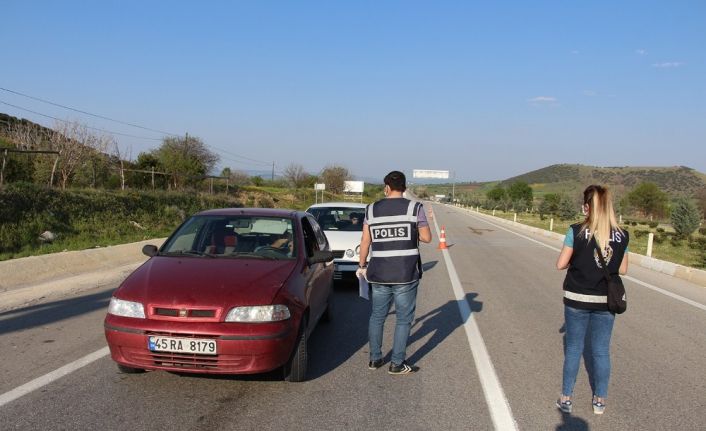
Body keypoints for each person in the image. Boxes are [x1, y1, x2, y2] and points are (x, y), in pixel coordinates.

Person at [555, 185, 629, 415]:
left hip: (577, 298)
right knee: (601, 351)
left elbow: (560, 264)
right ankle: (600, 400)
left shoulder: (575, 231)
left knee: (575, 349)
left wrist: (578, 260)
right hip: (606, 301)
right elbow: (623, 269)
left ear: (587, 207)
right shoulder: (622, 234)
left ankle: (566, 398)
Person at [357, 171, 432, 375]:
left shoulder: (371, 210)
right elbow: (427, 238)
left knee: (377, 316)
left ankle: (374, 359)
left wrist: (361, 265)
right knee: (403, 319)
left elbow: (366, 241)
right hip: (405, 273)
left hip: (379, 273)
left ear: (387, 187)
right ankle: (397, 364)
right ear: (405, 188)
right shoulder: (415, 208)